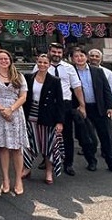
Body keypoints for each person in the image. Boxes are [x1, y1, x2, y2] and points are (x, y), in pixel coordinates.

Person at [33, 42, 86, 176]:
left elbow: (77, 86)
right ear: (49, 51)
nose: (56, 55)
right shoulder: (41, 65)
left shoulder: (69, 68)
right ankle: (46, 160)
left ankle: (68, 163)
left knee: (67, 135)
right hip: (46, 105)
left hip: (65, 104)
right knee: (46, 134)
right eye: (54, 52)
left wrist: (82, 105)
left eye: (59, 52)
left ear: (62, 54)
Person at [71, 47, 112, 175]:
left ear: (86, 57)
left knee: (106, 137)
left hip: (100, 108)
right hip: (83, 109)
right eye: (76, 56)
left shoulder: (98, 71)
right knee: (88, 139)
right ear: (72, 59)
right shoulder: (71, 73)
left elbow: (107, 90)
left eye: (82, 55)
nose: (79, 58)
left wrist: (110, 107)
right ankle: (91, 161)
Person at [0, 50, 28, 196]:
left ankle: (18, 180)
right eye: (1, 59)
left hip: (16, 112)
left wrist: (11, 109)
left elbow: (23, 96)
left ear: (10, 60)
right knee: (3, 148)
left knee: (17, 148)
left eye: (6, 58)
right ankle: (5, 180)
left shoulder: (19, 75)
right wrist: (2, 109)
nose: (4, 61)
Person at [23, 53, 65, 184]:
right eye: (40, 62)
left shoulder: (54, 80)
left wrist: (59, 121)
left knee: (48, 145)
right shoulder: (28, 77)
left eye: (45, 63)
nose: (42, 65)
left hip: (47, 116)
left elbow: (59, 102)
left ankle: (48, 171)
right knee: (29, 144)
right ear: (36, 62)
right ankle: (27, 167)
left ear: (49, 65)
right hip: (30, 115)